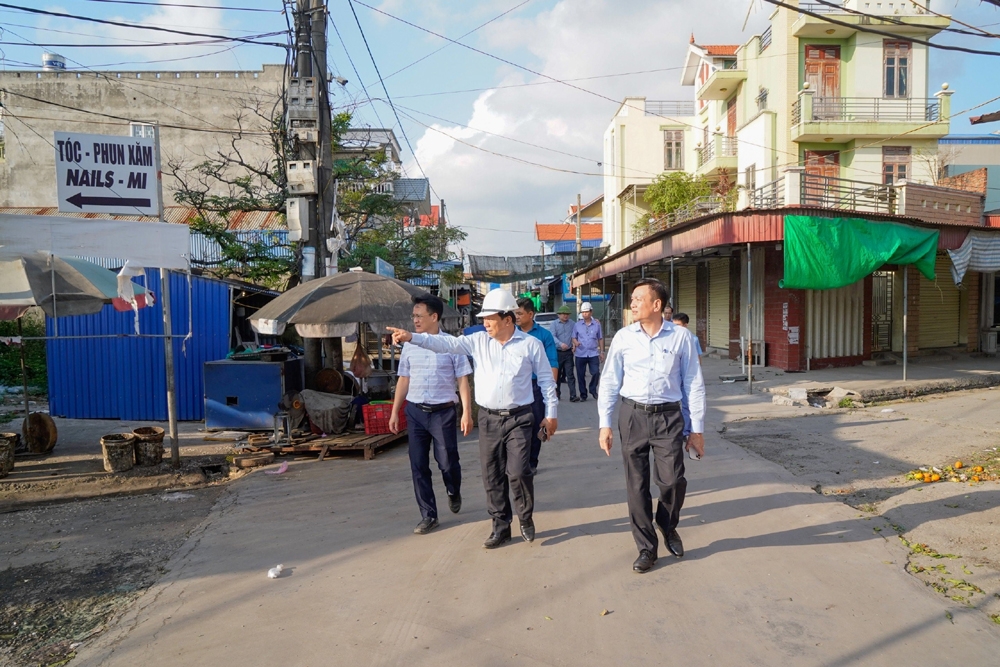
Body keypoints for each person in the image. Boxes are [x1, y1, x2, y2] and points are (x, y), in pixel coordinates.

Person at [387, 288, 558, 550]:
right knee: (492, 475)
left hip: (520, 418)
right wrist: (412, 337)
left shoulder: (530, 345)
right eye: (484, 319)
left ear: (508, 320)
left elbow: (546, 381)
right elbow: (445, 343)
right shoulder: (477, 341)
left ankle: (524, 518)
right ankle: (500, 527)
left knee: (519, 471)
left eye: (490, 319)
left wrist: (551, 415)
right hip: (489, 419)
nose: (485, 324)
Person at [597, 278, 706, 574]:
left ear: (656, 305)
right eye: (631, 299)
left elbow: (693, 384)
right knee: (637, 484)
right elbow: (608, 382)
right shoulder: (623, 337)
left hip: (668, 417)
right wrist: (604, 424)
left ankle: (667, 524)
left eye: (637, 299)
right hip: (632, 415)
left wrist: (696, 429)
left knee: (672, 481)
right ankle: (646, 548)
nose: (631, 304)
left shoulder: (681, 338)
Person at [389, 295, 474, 535]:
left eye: (419, 316)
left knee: (447, 462)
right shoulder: (409, 345)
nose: (414, 320)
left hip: (443, 412)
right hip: (415, 412)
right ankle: (429, 515)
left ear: (434, 317)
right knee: (418, 465)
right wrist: (396, 411)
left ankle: (453, 489)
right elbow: (403, 378)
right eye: (413, 316)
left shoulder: (452, 345)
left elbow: (462, 380)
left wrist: (466, 412)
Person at [514, 298, 559, 473]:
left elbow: (552, 364)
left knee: (536, 425)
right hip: (517, 386)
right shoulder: (510, 333)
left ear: (531, 314)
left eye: (519, 313)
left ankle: (531, 462)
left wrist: (552, 396)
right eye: (514, 313)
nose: (516, 317)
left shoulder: (544, 336)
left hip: (537, 387)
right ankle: (518, 461)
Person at [572, 302, 604, 401]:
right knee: (580, 375)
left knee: (596, 373)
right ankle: (583, 394)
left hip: (593, 353)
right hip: (580, 354)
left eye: (587, 312)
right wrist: (576, 342)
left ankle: (593, 389)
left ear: (591, 312)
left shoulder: (597, 324)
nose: (585, 314)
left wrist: (602, 352)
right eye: (583, 312)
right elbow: (573, 337)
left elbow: (600, 338)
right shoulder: (577, 325)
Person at [551, 305, 577, 402]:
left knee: (570, 374)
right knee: (557, 375)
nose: (565, 316)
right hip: (558, 352)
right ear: (559, 315)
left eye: (567, 314)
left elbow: (576, 335)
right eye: (563, 314)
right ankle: (557, 394)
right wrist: (560, 343)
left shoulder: (573, 324)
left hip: (569, 353)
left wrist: (574, 344)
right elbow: (552, 336)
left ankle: (573, 395)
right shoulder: (554, 324)